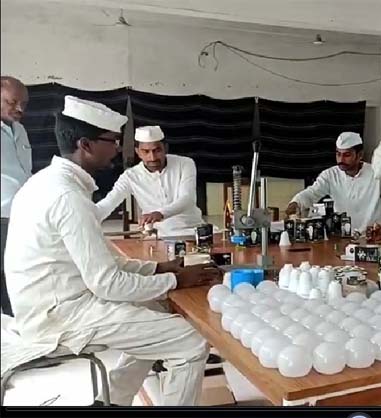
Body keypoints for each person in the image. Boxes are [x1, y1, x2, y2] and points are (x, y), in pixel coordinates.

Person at [3, 96, 223, 406]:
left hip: (56, 301)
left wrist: (159, 268)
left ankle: (112, 402)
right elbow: (107, 283)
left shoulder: (49, 182)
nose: (118, 149)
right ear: (85, 145)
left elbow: (105, 262)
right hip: (59, 316)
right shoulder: (67, 196)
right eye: (112, 141)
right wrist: (176, 280)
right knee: (190, 342)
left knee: (156, 312)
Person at [95, 125, 205, 238]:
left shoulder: (185, 163)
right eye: (146, 151)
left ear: (165, 148)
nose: (152, 157)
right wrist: (89, 217)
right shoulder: (130, 176)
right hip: (158, 236)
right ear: (137, 152)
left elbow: (187, 199)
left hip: (193, 231)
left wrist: (160, 214)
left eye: (157, 150)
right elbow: (109, 203)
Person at [285, 132, 381, 230]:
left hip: (374, 236)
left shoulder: (376, 173)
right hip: (344, 236)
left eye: (346, 155)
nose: (341, 160)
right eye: (338, 154)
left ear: (360, 155)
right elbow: (312, 193)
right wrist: (296, 203)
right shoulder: (330, 175)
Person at [1, 76, 31, 317]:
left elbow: (24, 173)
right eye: (12, 102)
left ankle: (17, 329)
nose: (20, 109)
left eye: (24, 103)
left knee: (17, 279)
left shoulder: (20, 130)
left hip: (21, 216)